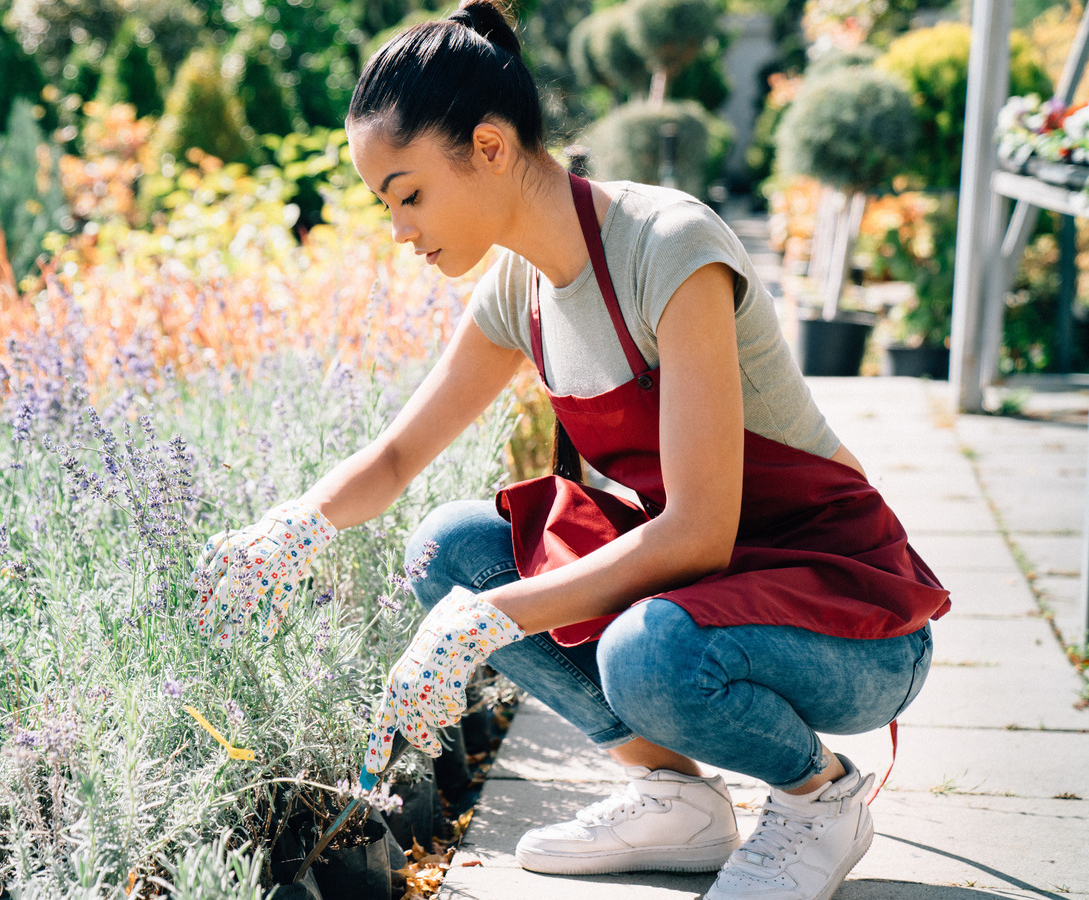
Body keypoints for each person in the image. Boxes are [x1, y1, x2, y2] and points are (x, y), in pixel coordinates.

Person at [191, 2, 949, 898]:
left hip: (849, 618)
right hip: (709, 600)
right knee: (452, 549)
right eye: (383, 204)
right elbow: (398, 461)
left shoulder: (667, 247)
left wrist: (494, 619)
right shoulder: (521, 287)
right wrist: (292, 527)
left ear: (490, 147)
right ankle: (674, 794)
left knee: (641, 653)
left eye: (409, 194)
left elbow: (702, 531)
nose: (399, 230)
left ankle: (822, 798)